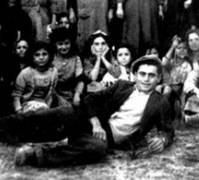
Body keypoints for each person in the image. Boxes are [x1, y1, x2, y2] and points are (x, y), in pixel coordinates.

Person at [0, 55, 173, 167]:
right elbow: (90, 99)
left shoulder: (160, 102)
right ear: (135, 75)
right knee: (61, 113)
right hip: (90, 120)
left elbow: (167, 129)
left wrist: (163, 139)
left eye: (151, 75)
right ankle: (5, 127)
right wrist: (95, 122)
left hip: (107, 138)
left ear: (158, 78)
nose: (146, 79)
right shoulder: (122, 86)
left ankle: (34, 155)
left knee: (97, 149)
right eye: (142, 74)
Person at [12, 41, 58, 113]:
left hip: (44, 106)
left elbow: (51, 94)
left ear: (50, 55)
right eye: (37, 55)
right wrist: (19, 110)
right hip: (26, 105)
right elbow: (16, 95)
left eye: (44, 54)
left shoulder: (53, 72)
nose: (41, 57)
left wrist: (48, 110)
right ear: (32, 57)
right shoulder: (25, 73)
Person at [50, 27, 84, 106]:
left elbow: (80, 80)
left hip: (71, 93)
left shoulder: (76, 58)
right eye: (60, 44)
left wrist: (77, 94)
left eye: (66, 43)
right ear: (55, 44)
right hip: (54, 94)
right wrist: (59, 99)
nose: (64, 47)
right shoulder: (51, 59)